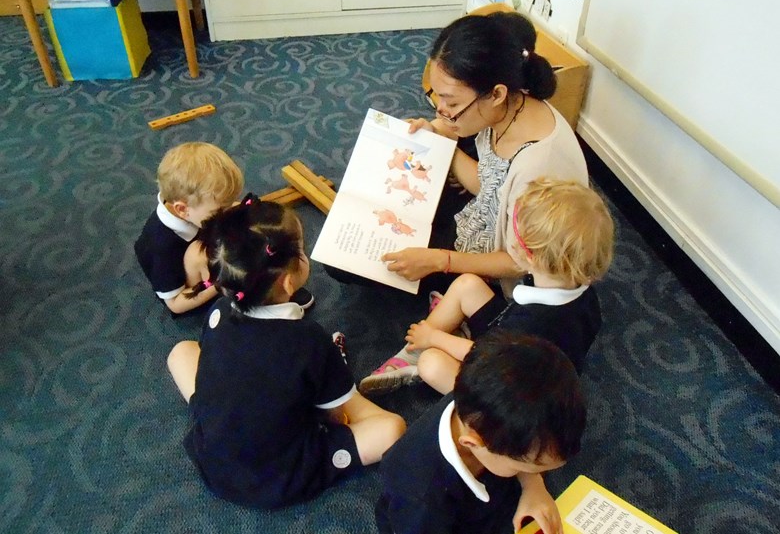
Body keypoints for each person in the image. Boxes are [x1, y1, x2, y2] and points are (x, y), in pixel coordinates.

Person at [166, 199, 406, 509]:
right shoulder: (308, 341)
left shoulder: (220, 310)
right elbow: (335, 418)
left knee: (181, 352)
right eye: (302, 251)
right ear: (289, 281)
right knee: (391, 428)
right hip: (276, 478)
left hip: (211, 455)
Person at [382, 11, 588, 296]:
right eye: (437, 95)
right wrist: (439, 138)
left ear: (496, 94)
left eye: (451, 102)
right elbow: (492, 189)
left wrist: (439, 262)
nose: (440, 109)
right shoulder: (508, 108)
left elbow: (521, 262)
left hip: (509, 268)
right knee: (390, 208)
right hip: (485, 224)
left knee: (368, 255)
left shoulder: (537, 167)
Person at [361, 178, 614, 395]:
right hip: (521, 350)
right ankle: (414, 350)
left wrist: (436, 338)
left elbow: (485, 354)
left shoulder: (535, 322)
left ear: (531, 257)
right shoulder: (580, 292)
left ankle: (424, 351)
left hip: (515, 385)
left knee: (432, 364)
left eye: (515, 232)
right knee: (467, 284)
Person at [375, 332, 586, 534]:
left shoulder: (480, 409)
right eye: (534, 466)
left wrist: (534, 486)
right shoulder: (422, 499)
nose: (541, 471)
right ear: (473, 443)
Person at [134, 142, 244, 315]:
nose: (226, 211)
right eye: (219, 210)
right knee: (199, 254)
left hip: (199, 246)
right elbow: (175, 304)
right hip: (192, 289)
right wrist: (223, 280)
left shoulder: (193, 210)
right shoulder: (161, 248)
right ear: (182, 209)